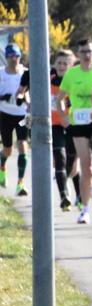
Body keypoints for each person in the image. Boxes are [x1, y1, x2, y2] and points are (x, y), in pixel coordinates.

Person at [57, 38, 92, 225]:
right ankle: (84, 209)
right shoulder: (71, 74)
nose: (86, 55)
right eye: (83, 51)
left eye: (89, 51)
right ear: (78, 54)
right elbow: (60, 98)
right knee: (86, 165)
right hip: (78, 123)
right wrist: (63, 115)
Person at [49, 50, 81, 211]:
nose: (62, 66)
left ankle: (80, 196)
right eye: (59, 63)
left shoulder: (75, 82)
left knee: (73, 166)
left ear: (71, 66)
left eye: (65, 64)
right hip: (55, 125)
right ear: (55, 64)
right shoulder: (49, 81)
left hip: (72, 125)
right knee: (59, 158)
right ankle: (64, 196)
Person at [0, 43, 29, 196]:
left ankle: (20, 183)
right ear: (6, 57)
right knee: (8, 149)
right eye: (11, 56)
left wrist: (26, 100)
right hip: (5, 115)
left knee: (23, 145)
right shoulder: (1, 74)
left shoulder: (24, 73)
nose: (14, 59)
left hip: (22, 115)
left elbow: (29, 91)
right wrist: (3, 97)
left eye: (16, 56)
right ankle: (2, 164)